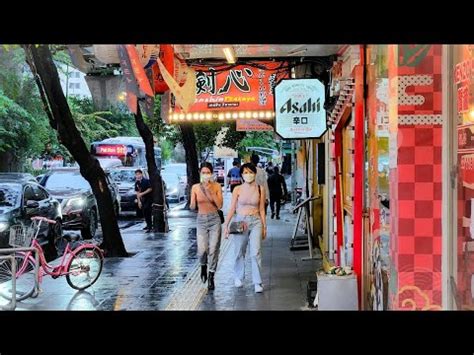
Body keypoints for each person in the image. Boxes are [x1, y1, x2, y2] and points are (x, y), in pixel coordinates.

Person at [224, 163, 267, 293]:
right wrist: (226, 224)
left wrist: (264, 226)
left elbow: (262, 209)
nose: (248, 175)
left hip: (256, 221)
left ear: (255, 173)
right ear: (242, 174)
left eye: (250, 172)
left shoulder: (260, 189)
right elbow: (232, 208)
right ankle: (238, 277)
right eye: (245, 172)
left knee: (256, 252)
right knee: (239, 251)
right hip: (240, 221)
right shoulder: (237, 189)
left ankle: (257, 282)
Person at [190, 162, 223, 291]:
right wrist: (192, 204)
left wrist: (211, 191)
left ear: (211, 173)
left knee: (214, 248)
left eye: (208, 173)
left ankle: (211, 275)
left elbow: (219, 205)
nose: (205, 175)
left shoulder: (216, 186)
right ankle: (203, 265)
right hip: (201, 220)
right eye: (203, 173)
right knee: (202, 249)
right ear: (200, 173)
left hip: (214, 219)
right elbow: (192, 205)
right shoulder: (195, 187)